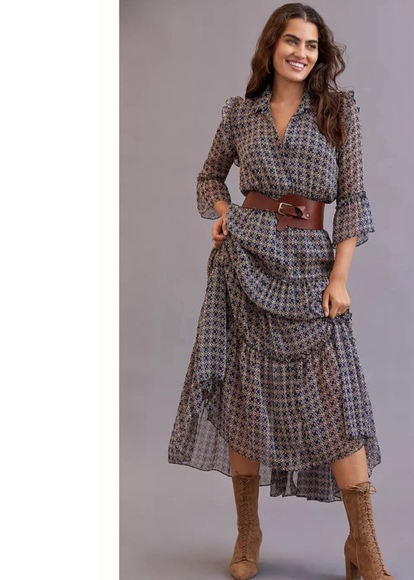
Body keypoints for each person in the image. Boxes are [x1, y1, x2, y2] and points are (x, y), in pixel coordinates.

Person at [168, 3, 393, 579]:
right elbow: (208, 176)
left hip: (311, 267)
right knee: (245, 397)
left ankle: (364, 545)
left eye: (311, 45)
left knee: (338, 404)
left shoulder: (339, 111)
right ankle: (248, 532)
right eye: (291, 40)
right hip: (243, 263)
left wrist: (339, 277)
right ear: (271, 46)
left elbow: (353, 199)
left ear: (320, 55)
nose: (301, 52)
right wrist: (224, 211)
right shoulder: (239, 113)